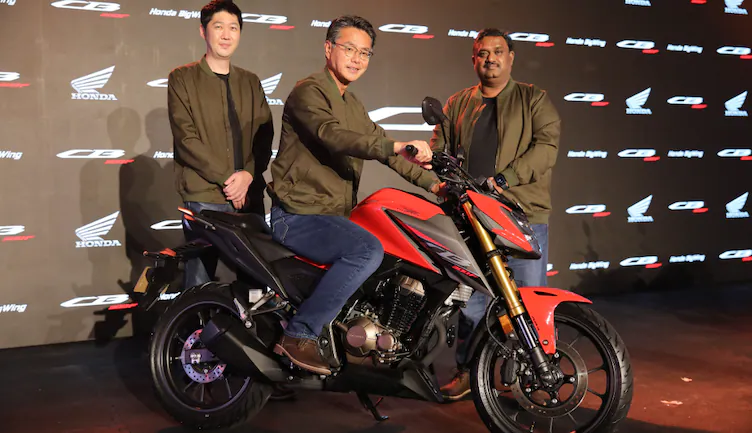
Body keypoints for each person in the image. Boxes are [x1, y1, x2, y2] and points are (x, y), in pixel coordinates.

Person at [269, 15, 441, 375]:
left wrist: (435, 185)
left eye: (365, 53)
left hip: (332, 215)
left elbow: (387, 150)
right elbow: (333, 135)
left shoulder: (353, 104)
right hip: (298, 215)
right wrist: (395, 145)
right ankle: (299, 334)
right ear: (328, 48)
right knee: (366, 250)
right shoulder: (309, 92)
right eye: (349, 49)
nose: (357, 58)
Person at [431, 28, 561, 400]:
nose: (490, 58)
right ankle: (469, 373)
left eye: (498, 51)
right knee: (474, 302)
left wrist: (505, 179)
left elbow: (546, 147)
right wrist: (444, 177)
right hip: (473, 217)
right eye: (482, 53)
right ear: (474, 59)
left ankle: (534, 376)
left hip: (521, 215)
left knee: (529, 301)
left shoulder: (533, 99)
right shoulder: (458, 103)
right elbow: (439, 146)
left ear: (511, 57)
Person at [167, 0, 274, 290]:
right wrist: (230, 180)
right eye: (218, 27)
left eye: (233, 28)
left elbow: (265, 135)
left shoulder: (250, 81)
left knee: (257, 282)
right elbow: (186, 139)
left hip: (249, 194)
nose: (226, 35)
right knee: (199, 278)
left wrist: (248, 175)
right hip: (205, 194)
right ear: (203, 31)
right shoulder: (182, 78)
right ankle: (195, 321)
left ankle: (249, 321)